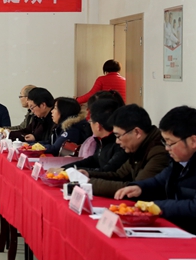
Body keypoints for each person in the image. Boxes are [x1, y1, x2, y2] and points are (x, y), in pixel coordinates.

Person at [114, 106, 196, 234]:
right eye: (165, 142)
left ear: (193, 141)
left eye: (170, 143)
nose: (167, 148)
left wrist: (156, 206)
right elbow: (159, 181)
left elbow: (193, 207)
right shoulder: (178, 162)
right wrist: (139, 187)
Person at [80, 104, 169, 198]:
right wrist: (88, 174)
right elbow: (118, 175)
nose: (117, 141)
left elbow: (136, 189)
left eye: (118, 136)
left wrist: (89, 183)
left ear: (137, 132)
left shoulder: (159, 152)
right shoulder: (139, 147)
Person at [66, 99, 128, 172]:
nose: (90, 124)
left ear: (98, 126)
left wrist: (72, 170)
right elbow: (94, 160)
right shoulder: (103, 141)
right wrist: (65, 168)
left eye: (90, 121)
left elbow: (106, 172)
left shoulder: (120, 145)